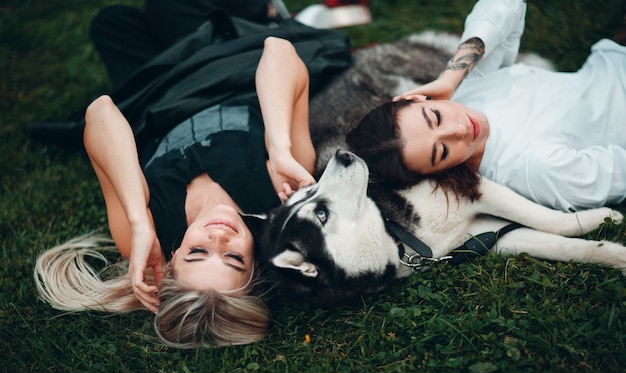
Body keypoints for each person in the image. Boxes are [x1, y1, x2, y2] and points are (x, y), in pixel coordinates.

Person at [34, 2, 351, 348]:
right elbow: (278, 52)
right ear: (256, 269)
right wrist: (279, 150)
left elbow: (101, 113)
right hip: (228, 64)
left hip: (158, 94)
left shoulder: (147, 231)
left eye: (197, 252)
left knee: (110, 23)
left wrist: (139, 222)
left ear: (170, 264)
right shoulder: (280, 195)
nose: (218, 238)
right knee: (167, 10)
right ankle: (267, 15)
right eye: (234, 258)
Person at [345, 0, 626, 213]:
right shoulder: (534, 169)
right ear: (439, 174)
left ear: (417, 98)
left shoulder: (467, 93)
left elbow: (506, 5)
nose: (460, 129)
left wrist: (452, 75)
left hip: (610, 59)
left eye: (436, 117)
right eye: (442, 151)